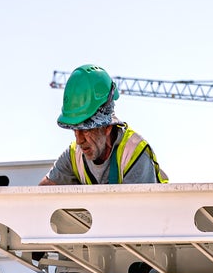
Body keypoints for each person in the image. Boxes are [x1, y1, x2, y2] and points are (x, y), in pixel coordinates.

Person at [40, 63, 168, 185]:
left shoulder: (134, 154)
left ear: (107, 127)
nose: (79, 140)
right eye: (75, 130)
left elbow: (135, 207)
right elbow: (44, 194)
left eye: (85, 130)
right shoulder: (74, 155)